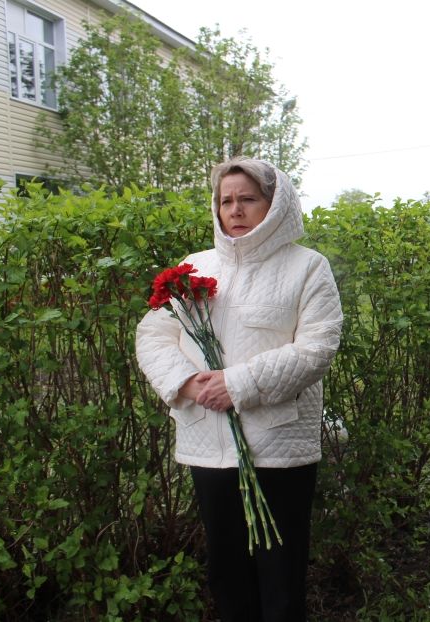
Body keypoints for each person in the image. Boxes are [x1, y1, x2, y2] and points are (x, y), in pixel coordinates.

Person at [136, 157, 343, 621]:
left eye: (247, 198)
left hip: (278, 444)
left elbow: (317, 347)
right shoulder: (194, 266)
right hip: (207, 443)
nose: (235, 209)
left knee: (281, 575)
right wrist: (188, 383)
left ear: (275, 204)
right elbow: (153, 335)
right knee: (226, 572)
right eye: (226, 200)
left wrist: (239, 384)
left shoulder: (307, 268)